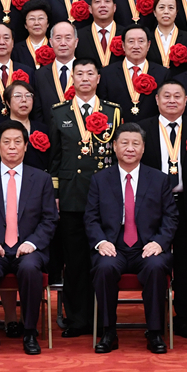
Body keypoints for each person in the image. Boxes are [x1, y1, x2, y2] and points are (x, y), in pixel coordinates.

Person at [0, 119, 58, 355]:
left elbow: (50, 219)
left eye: (18, 141)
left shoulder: (42, 179)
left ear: (26, 146)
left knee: (30, 268)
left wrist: (32, 243)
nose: (12, 146)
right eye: (6, 142)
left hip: (28, 248)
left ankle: (30, 332)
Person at [85, 123, 177, 354]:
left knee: (156, 266)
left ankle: (155, 332)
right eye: (124, 143)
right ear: (114, 146)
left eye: (136, 143)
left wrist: (159, 242)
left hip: (147, 246)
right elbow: (91, 218)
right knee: (104, 267)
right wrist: (101, 242)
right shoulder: (100, 179)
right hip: (113, 246)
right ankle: (108, 332)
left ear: (143, 148)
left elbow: (171, 217)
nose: (130, 148)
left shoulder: (159, 179)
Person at [50, 58, 122, 338]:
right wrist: (56, 193)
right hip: (72, 195)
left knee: (103, 258)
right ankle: (78, 319)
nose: (84, 78)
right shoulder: (59, 113)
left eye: (90, 73)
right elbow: (55, 158)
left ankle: (104, 318)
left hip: (105, 196)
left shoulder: (113, 111)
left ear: (98, 78)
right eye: (79, 73)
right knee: (75, 260)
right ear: (72, 78)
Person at [138, 80, 187, 339]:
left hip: (186, 204)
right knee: (153, 260)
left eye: (177, 96)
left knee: (186, 264)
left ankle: (184, 318)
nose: (171, 100)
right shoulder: (143, 128)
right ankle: (154, 319)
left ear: (186, 100)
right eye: (166, 96)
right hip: (150, 205)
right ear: (157, 100)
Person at [97, 24, 167, 126]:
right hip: (118, 129)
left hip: (151, 129)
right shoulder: (107, 73)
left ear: (148, 45)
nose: (136, 46)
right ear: (123, 45)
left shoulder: (162, 73)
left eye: (141, 41)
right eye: (131, 41)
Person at [0, 80, 55, 174]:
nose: (24, 100)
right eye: (18, 96)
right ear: (8, 103)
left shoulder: (43, 129)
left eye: (28, 96)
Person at [34, 20, 77, 124]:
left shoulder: (87, 72)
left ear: (76, 42)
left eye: (68, 38)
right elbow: (37, 112)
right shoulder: (40, 75)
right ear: (51, 42)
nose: (63, 43)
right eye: (58, 38)